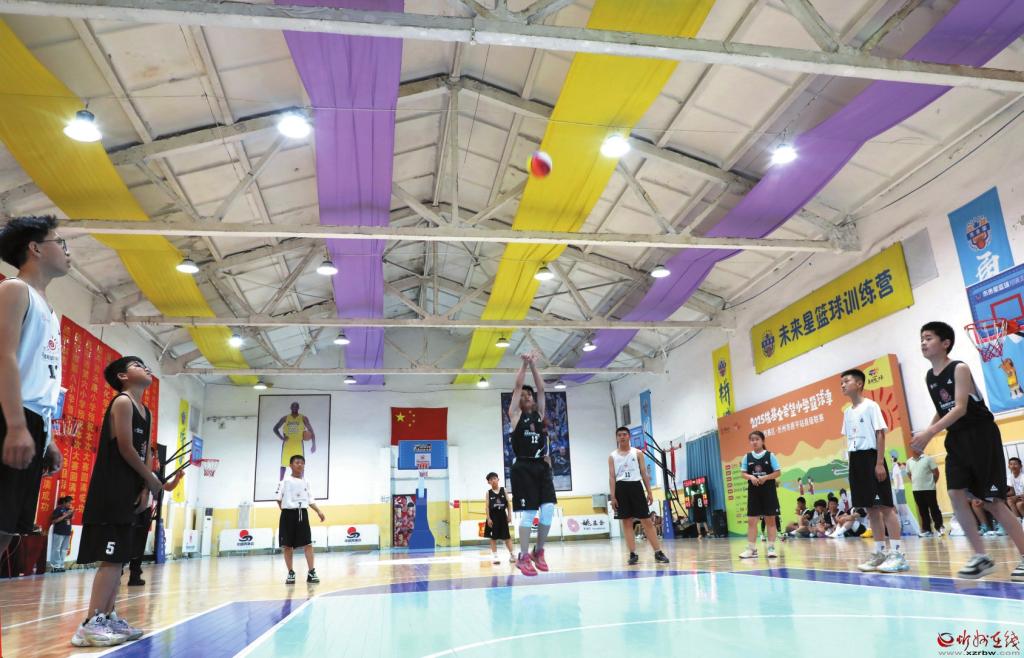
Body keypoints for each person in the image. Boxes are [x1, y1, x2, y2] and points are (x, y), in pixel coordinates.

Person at [72, 357, 182, 647]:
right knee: (111, 560)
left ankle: (108, 617)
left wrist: (146, 487)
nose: (145, 367)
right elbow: (125, 447)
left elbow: (144, 453)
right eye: (137, 364)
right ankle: (90, 624)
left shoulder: (146, 411)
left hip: (132, 491)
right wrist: (152, 479)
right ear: (122, 376)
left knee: (119, 559)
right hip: (112, 490)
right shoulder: (122, 402)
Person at [912, 321, 1024, 581]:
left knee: (993, 503)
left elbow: (960, 407)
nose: (923, 343)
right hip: (957, 439)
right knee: (955, 493)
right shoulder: (930, 377)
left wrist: (930, 433)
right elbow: (942, 409)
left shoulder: (959, 368)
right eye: (921, 338)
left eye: (928, 338)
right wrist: (926, 433)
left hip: (980, 435)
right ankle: (981, 557)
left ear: (945, 343)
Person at [0, 216, 69, 556]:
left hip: (36, 422)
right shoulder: (15, 290)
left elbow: (43, 379)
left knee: (8, 528)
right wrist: (15, 425)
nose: (68, 252)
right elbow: (4, 356)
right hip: (11, 414)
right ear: (35, 248)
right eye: (61, 243)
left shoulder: (49, 309)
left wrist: (49, 437)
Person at [839, 368, 907, 573]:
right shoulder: (847, 412)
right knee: (871, 509)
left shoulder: (871, 406)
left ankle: (897, 554)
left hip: (872, 458)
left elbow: (880, 434)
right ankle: (879, 553)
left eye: (846, 381)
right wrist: (852, 466)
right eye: (841, 382)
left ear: (859, 383)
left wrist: (879, 463)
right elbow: (850, 439)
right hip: (856, 461)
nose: (843, 385)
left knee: (885, 507)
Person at [508, 352, 555, 577]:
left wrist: (535, 365)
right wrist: (525, 364)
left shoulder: (539, 414)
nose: (527, 396)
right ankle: (523, 556)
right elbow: (518, 386)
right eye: (523, 395)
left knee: (548, 510)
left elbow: (542, 389)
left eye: (529, 394)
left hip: (541, 467)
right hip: (523, 468)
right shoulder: (515, 416)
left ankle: (539, 551)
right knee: (528, 513)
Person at [608, 426, 670, 565]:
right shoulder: (612, 456)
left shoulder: (637, 453)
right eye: (619, 435)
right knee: (627, 522)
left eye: (624, 434)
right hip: (621, 488)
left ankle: (658, 552)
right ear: (617, 438)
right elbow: (612, 477)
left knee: (646, 521)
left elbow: (644, 473)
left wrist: (649, 492)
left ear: (629, 436)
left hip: (636, 487)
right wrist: (613, 496)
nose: (622, 437)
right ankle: (632, 553)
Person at [276, 454, 325, 584]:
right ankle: (290, 573)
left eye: (302, 463)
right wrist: (286, 512)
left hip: (302, 514)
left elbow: (310, 499)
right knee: (287, 545)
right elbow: (278, 499)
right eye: (297, 462)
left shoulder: (306, 482)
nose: (300, 465)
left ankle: (311, 572)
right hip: (287, 515)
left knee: (308, 544)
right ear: (291, 465)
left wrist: (319, 511)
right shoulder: (284, 481)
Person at [738, 431, 781, 559]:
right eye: (752, 440)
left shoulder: (770, 455)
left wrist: (766, 477)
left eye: (757, 439)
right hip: (754, 493)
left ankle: (771, 548)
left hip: (769, 492)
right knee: (752, 521)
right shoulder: (747, 457)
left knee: (770, 521)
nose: (754, 442)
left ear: (762, 441)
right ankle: (751, 549)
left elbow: (778, 472)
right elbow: (743, 473)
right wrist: (751, 477)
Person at [906, 448, 945, 537]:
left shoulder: (928, 459)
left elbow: (936, 473)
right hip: (916, 490)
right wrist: (916, 483)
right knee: (922, 510)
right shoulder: (909, 462)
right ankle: (927, 530)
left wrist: (932, 483)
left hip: (929, 488)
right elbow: (909, 474)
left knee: (934, 508)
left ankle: (939, 527)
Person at [274, 402, 316, 480]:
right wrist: (281, 438)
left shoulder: (303, 418)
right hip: (287, 445)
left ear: (298, 408)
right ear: (290, 408)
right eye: (293, 407)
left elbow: (311, 431)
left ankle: (301, 481)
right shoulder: (285, 418)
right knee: (283, 464)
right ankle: (280, 482)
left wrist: (314, 444)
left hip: (298, 445)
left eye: (296, 407)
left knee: (300, 464)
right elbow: (275, 428)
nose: (294, 408)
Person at [484, 472, 514, 565]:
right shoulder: (488, 493)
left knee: (507, 537)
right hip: (493, 517)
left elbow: (508, 504)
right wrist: (488, 518)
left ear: (498, 479)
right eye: (491, 479)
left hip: (502, 516)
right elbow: (487, 507)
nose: (493, 480)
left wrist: (509, 515)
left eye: (494, 478)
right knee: (493, 538)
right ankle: (495, 557)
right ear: (489, 482)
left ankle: (512, 555)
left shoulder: (503, 490)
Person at [49, 495, 73, 572]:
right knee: (56, 549)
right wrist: (65, 515)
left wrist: (71, 514)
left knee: (64, 549)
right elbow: (54, 521)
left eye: (71, 503)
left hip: (67, 532)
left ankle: (61, 565)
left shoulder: (69, 510)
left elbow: (70, 520)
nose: (70, 504)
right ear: (64, 502)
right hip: (59, 532)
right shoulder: (58, 509)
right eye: (69, 503)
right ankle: (55, 565)